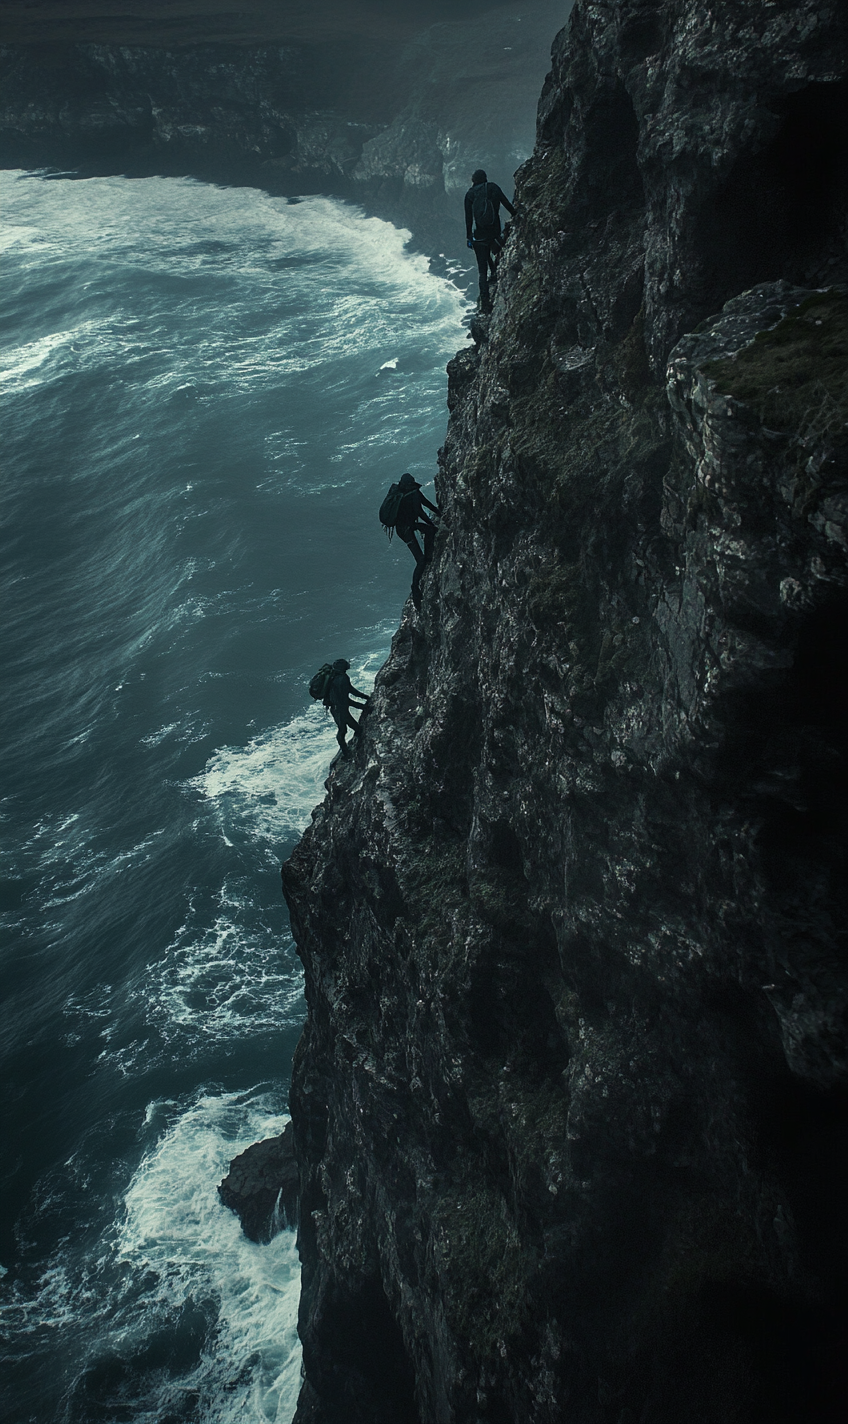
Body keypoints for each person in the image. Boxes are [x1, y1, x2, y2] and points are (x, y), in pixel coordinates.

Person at [464, 168, 516, 311]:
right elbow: (506, 203)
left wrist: (469, 237)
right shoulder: (493, 188)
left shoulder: (470, 194)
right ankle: (495, 273)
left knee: (482, 270)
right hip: (494, 233)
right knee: (500, 252)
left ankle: (485, 302)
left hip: (479, 236)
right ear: (485, 178)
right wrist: (516, 215)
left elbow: (468, 219)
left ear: (473, 180)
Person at [395, 472, 440, 610]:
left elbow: (425, 503)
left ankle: (427, 557)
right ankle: (415, 588)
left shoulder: (403, 493)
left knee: (430, 531)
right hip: (406, 530)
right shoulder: (413, 493)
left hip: (402, 528)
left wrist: (437, 513)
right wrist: (433, 523)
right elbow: (421, 511)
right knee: (420, 560)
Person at [326, 658, 368, 758]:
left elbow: (350, 693)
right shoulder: (342, 679)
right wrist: (364, 705)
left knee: (352, 729)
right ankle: (346, 754)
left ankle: (347, 752)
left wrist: (364, 699)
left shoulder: (335, 677)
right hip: (340, 709)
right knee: (344, 730)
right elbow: (347, 698)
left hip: (336, 708)